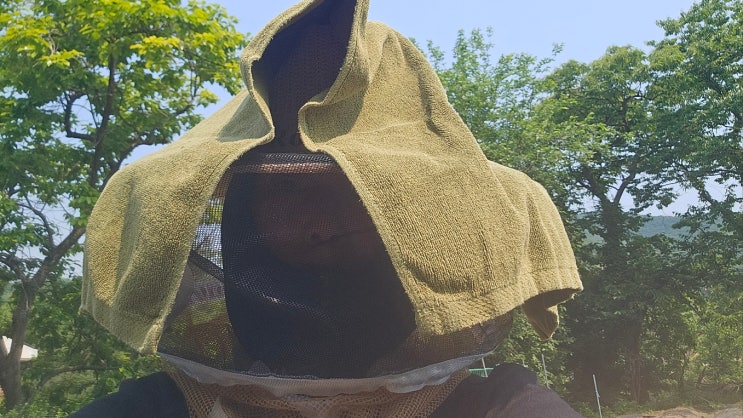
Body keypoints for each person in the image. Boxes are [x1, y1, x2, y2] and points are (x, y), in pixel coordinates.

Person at [73, 0, 584, 416]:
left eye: (356, 192)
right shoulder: (161, 407)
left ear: (417, 216)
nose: (321, 221)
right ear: (244, 210)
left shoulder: (496, 404)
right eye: (288, 191)